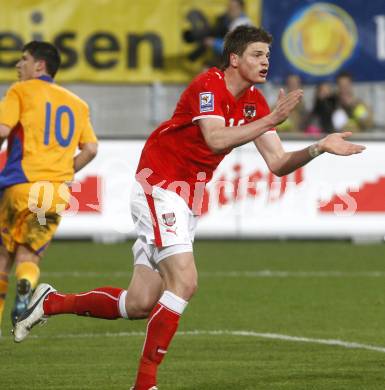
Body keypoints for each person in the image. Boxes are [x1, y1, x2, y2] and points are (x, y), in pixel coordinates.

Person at [14, 26, 364, 390]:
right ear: (234, 59)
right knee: (185, 282)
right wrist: (270, 120)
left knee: (138, 303)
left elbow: (277, 162)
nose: (265, 62)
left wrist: (318, 147)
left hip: (185, 198)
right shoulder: (208, 85)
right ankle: (144, 384)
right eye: (257, 55)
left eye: (267, 56)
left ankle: (51, 302)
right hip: (160, 183)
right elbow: (214, 138)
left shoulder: (254, 103)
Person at [0, 41, 98, 333]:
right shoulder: (78, 104)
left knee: (3, 257)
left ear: (39, 65)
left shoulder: (20, 91)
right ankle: (27, 285)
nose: (19, 65)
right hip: (54, 193)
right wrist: (64, 171)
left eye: (24, 59)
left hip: (20, 185)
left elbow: (3, 130)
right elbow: (91, 149)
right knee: (30, 255)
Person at [203, 0, 252, 67]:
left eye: (233, 8)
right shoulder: (242, 21)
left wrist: (214, 43)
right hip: (239, 63)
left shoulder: (240, 24)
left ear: (241, 8)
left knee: (206, 69)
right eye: (229, 7)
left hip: (239, 65)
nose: (230, 10)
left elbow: (231, 49)